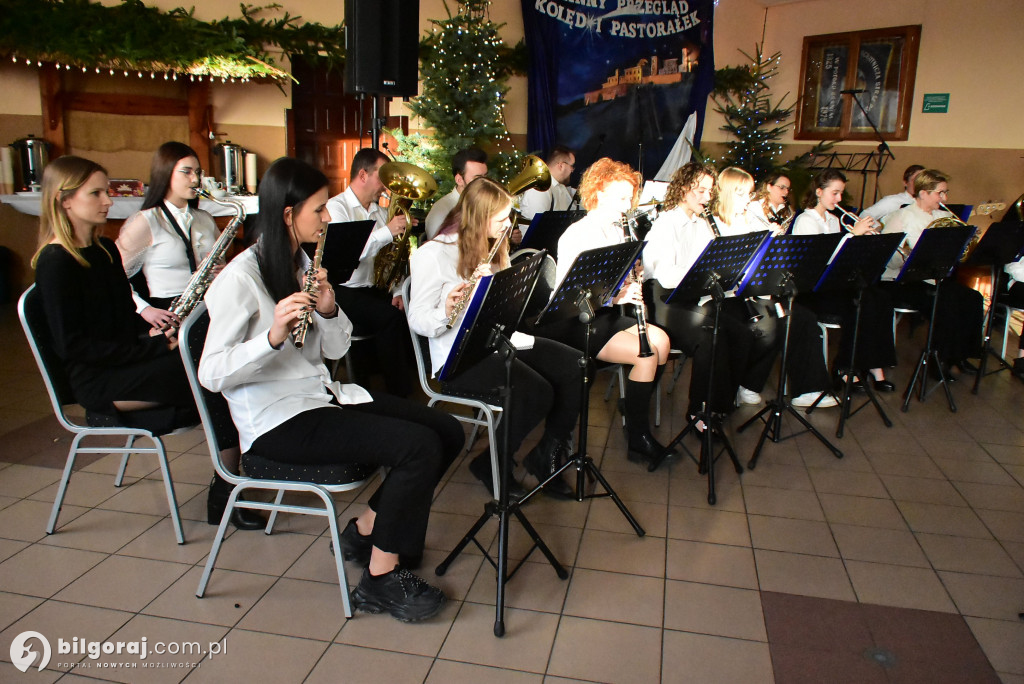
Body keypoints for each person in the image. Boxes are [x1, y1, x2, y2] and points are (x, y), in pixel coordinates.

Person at [199, 157, 464, 622]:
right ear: (288, 214)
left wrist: (327, 308)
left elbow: (337, 346)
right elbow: (211, 374)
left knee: (446, 431)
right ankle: (379, 580)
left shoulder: (303, 262)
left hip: (322, 395)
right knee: (417, 447)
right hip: (276, 421)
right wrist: (270, 337)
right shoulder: (239, 279)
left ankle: (366, 530)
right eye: (319, 211)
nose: (326, 220)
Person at [30, 156, 261, 531]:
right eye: (97, 193)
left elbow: (121, 321)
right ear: (65, 200)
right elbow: (75, 348)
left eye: (106, 191)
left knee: (215, 364)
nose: (108, 200)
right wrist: (154, 348)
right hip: (97, 380)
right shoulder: (56, 263)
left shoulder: (103, 249)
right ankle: (227, 490)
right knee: (210, 377)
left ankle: (233, 481)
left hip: (125, 363)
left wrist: (156, 336)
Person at [408, 177, 580, 499]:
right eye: (500, 219)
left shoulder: (490, 245)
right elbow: (418, 320)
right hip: (460, 357)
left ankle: (547, 457)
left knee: (574, 365)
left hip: (496, 340)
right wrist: (446, 310)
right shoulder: (433, 254)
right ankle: (491, 463)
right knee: (536, 391)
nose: (507, 225)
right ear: (478, 218)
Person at [543, 158, 672, 465]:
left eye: (630, 197)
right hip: (579, 321)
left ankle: (633, 406)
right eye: (622, 197)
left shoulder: (618, 229)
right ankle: (638, 436)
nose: (628, 204)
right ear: (599, 192)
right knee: (647, 354)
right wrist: (618, 294)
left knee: (663, 344)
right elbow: (571, 297)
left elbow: (619, 281)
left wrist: (632, 274)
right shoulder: (579, 234)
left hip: (607, 315)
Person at [643, 162, 767, 418]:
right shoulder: (666, 223)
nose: (707, 197)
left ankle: (722, 403)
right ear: (683, 190)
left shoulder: (701, 225)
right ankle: (699, 411)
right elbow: (666, 276)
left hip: (691, 298)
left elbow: (708, 266)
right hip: (665, 302)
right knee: (709, 337)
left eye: (709, 191)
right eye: (700, 190)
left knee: (743, 335)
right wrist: (702, 273)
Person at [708, 167, 837, 408]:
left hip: (755, 293)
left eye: (748, 193)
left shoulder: (749, 220)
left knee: (802, 317)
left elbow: (763, 265)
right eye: (742, 194)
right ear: (725, 193)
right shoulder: (712, 223)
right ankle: (746, 383)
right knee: (768, 325)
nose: (749, 199)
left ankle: (808, 390)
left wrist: (772, 244)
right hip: (727, 297)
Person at [792, 169, 897, 392]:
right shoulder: (805, 220)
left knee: (882, 299)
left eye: (841, 193)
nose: (839, 199)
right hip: (813, 290)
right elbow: (819, 259)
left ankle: (874, 364)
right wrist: (853, 236)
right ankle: (844, 368)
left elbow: (842, 259)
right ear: (819, 192)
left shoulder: (832, 219)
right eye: (835, 193)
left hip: (834, 285)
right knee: (859, 304)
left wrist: (863, 243)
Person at [325, 148, 414, 397]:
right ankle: (399, 395)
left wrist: (398, 290)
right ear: (363, 175)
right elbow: (350, 252)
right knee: (389, 318)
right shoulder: (336, 208)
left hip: (372, 289)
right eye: (382, 176)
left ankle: (392, 387)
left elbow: (393, 259)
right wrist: (388, 230)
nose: (387, 185)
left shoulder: (380, 212)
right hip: (341, 290)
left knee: (407, 309)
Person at [880, 169, 984, 378]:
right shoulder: (901, 217)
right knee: (945, 302)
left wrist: (965, 239)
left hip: (933, 277)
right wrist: (906, 254)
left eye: (945, 192)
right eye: (940, 193)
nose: (945, 198)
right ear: (923, 193)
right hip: (902, 281)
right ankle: (938, 359)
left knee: (973, 298)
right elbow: (887, 258)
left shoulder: (944, 216)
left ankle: (960, 355)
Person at [116, 142, 221, 330]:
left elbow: (220, 264)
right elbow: (115, 277)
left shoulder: (205, 219)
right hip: (169, 312)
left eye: (198, 172)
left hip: (210, 305)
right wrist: (144, 309)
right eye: (187, 172)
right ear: (165, 173)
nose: (195, 179)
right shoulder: (145, 221)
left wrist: (223, 270)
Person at [423, 147, 488, 241]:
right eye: (477, 178)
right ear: (459, 180)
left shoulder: (485, 203)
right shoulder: (441, 210)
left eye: (486, 176)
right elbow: (438, 250)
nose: (484, 183)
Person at [518, 145, 578, 221]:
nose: (572, 170)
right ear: (561, 166)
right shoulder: (540, 188)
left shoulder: (560, 187)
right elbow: (537, 226)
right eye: (572, 166)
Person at [860, 164, 925, 222]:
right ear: (905, 183)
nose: (919, 184)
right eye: (915, 180)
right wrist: (879, 227)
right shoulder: (893, 201)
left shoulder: (930, 202)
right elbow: (864, 215)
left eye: (922, 181)